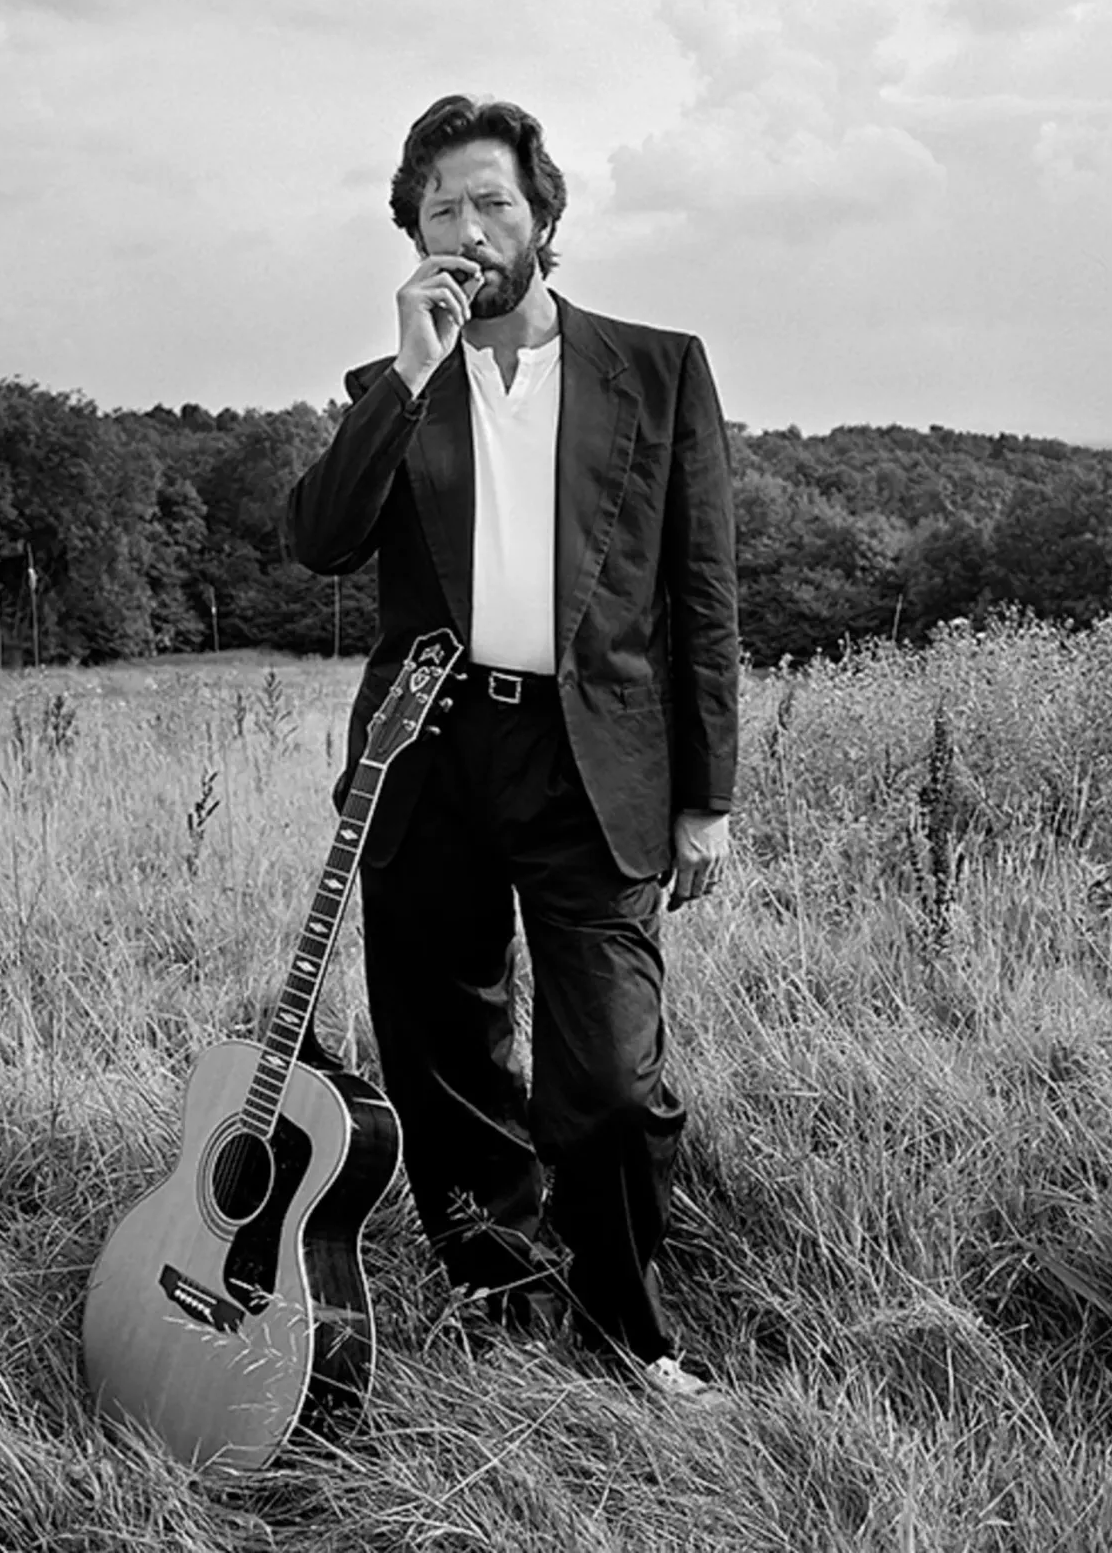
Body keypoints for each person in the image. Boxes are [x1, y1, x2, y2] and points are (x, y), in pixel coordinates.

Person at [286, 94, 739, 1399]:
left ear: (543, 216)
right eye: (442, 209)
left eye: (493, 201)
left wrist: (707, 797)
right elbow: (319, 540)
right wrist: (409, 375)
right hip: (426, 755)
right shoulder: (391, 387)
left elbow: (703, 595)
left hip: (594, 759)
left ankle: (629, 1330)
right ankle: (502, 1296)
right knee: (445, 1054)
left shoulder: (657, 370)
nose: (470, 228)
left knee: (613, 1077)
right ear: (414, 236)